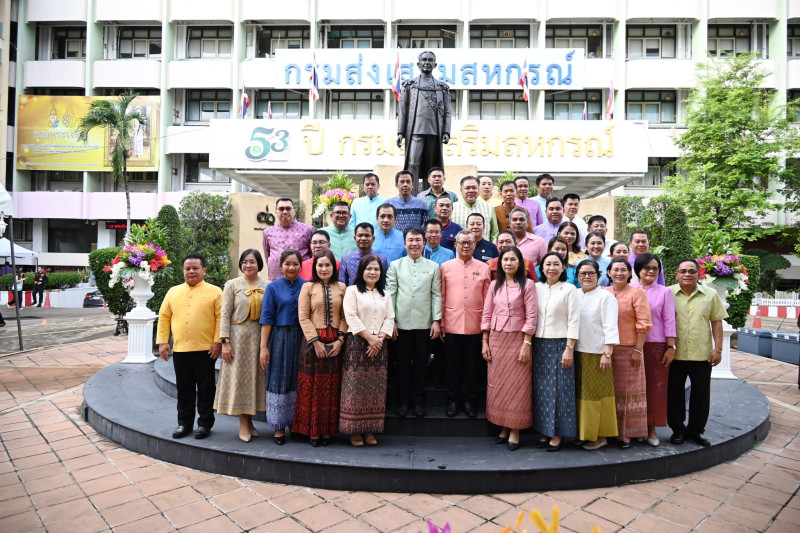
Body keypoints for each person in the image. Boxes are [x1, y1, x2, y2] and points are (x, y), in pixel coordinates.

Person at [157, 254, 222, 440]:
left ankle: (204, 424)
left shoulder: (215, 292)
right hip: (180, 350)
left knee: (206, 389)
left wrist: (217, 341)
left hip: (206, 350)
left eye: (195, 268)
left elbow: (221, 318)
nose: (191, 271)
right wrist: (163, 342)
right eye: (187, 269)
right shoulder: (173, 292)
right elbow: (164, 317)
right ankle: (184, 423)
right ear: (183, 271)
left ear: (204, 270)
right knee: (184, 389)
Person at [481, 246, 537, 451]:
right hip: (496, 339)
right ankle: (503, 427)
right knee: (499, 384)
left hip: (518, 339)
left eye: (513, 259)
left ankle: (515, 430)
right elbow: (487, 313)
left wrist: (526, 344)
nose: (509, 263)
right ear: (500, 263)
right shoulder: (494, 284)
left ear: (520, 263)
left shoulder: (528, 285)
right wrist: (485, 341)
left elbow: (532, 316)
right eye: (505, 259)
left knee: (518, 385)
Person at [668, 259, 727, 447]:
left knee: (701, 395)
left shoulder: (710, 295)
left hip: (702, 354)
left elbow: (716, 322)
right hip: (674, 354)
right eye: (683, 271)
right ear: (676, 275)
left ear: (698, 274)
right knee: (674, 394)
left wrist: (718, 349)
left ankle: (696, 431)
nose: (687, 274)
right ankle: (678, 430)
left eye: (692, 271)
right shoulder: (667, 294)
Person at [386, 228, 442, 417]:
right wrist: (391, 321)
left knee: (420, 364)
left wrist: (436, 320)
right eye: (410, 240)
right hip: (400, 324)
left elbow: (436, 294)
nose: (414, 243)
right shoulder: (395, 265)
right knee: (402, 364)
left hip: (424, 324)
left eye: (418, 240)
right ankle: (403, 402)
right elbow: (391, 294)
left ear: (424, 243)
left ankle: (418, 401)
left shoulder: (433, 266)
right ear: (405, 243)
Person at [214, 250, 269, 443]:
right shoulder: (232, 285)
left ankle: (250, 421)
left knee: (255, 379)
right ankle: (243, 423)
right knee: (239, 380)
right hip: (237, 338)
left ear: (259, 264)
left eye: (252, 262)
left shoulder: (268, 286)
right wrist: (225, 342)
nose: (248, 265)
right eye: (244, 262)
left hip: (259, 337)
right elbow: (225, 314)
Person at [341, 255, 395, 446]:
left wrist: (379, 338)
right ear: (361, 271)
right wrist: (369, 338)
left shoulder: (385, 294)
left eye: (376, 269)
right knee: (355, 387)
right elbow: (350, 315)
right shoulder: (352, 291)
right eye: (369, 268)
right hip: (357, 343)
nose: (373, 272)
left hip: (379, 346)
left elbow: (390, 318)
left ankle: (369, 429)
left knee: (375, 388)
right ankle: (354, 430)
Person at [296, 250, 348, 446]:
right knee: (313, 387)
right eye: (320, 265)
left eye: (327, 265)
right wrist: (316, 342)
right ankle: (312, 431)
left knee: (331, 387)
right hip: (312, 343)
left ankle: (327, 431)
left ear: (334, 267)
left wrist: (340, 341)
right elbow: (303, 317)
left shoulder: (342, 287)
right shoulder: (308, 287)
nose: (324, 269)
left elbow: (345, 317)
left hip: (335, 342)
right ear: (315, 267)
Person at [440, 230, 491, 418]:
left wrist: (486, 327)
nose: (466, 246)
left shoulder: (483, 268)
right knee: (451, 366)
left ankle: (470, 401)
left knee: (472, 366)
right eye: (462, 242)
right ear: (456, 245)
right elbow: (442, 295)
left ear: (475, 245)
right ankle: (452, 401)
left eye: (470, 242)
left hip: (475, 324)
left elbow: (488, 299)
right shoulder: (445, 267)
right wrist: (441, 321)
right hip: (451, 323)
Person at [533, 251, 580, 451]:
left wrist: (569, 348)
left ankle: (559, 433)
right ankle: (545, 430)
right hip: (538, 344)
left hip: (561, 344)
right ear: (541, 268)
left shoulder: (569, 289)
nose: (551, 268)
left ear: (563, 268)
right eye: (548, 264)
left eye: (556, 264)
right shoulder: (535, 288)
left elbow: (574, 320)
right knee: (542, 389)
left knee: (561, 390)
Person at [258, 249, 305, 446]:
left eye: (295, 264)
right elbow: (266, 318)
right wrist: (263, 347)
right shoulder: (273, 287)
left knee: (298, 379)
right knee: (279, 378)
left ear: (300, 266)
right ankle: (278, 426)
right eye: (287, 264)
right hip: (279, 337)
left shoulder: (307, 286)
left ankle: (295, 423)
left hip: (302, 337)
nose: (291, 267)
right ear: (280, 265)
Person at [605, 257, 652, 448]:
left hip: (629, 349)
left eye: (623, 270)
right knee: (610, 394)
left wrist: (638, 350)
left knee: (628, 394)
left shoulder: (637, 293)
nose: (619, 273)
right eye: (615, 269)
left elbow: (644, 323)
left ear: (629, 273)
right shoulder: (604, 292)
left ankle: (625, 435)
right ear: (608, 272)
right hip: (607, 350)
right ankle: (608, 430)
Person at [574, 259, 620, 450]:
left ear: (598, 275)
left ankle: (600, 436)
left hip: (597, 353)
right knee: (581, 396)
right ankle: (585, 433)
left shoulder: (605, 297)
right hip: (577, 352)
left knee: (597, 396)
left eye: (591, 273)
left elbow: (610, 325)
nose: (587, 277)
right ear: (577, 276)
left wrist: (607, 353)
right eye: (583, 273)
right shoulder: (574, 294)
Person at [633, 253, 677, 447]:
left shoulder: (664, 292)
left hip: (656, 345)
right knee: (634, 388)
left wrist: (670, 346)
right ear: (638, 270)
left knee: (655, 387)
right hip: (631, 344)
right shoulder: (629, 288)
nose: (651, 271)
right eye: (647, 268)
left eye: (655, 268)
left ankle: (651, 428)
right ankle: (635, 427)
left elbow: (669, 320)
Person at [397, 50, 452, 192]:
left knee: (432, 167)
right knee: (413, 163)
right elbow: (402, 111)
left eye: (430, 60)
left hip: (434, 132)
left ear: (435, 65)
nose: (427, 63)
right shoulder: (409, 85)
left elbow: (447, 112)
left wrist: (446, 131)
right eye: (424, 60)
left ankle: (430, 195)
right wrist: (400, 132)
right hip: (416, 131)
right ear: (418, 64)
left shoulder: (442, 88)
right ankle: (412, 195)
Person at [262, 198, 314, 281]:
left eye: (288, 208)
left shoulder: (307, 229)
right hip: (276, 279)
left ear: (294, 211)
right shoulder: (268, 232)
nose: (285, 212)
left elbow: (312, 254)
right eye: (281, 209)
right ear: (276, 212)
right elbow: (267, 254)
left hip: (301, 279)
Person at [451, 176, 499, 242]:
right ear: (461, 190)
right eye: (467, 188)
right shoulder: (452, 208)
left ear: (478, 190)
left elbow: (494, 233)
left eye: (474, 188)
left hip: (484, 248)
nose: (471, 191)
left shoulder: (489, 208)